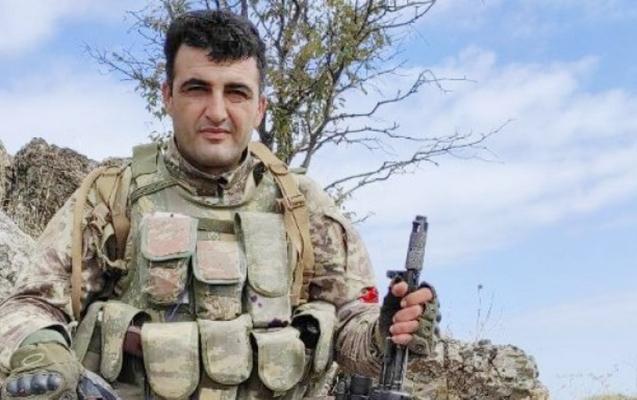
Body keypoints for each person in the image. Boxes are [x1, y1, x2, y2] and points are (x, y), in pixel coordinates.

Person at [0, 9, 439, 400]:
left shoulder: (303, 207)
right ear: (167, 96)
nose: (216, 111)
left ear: (260, 107)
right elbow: (29, 305)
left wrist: (387, 331)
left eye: (236, 92)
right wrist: (41, 350)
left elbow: (350, 328)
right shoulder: (111, 197)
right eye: (197, 89)